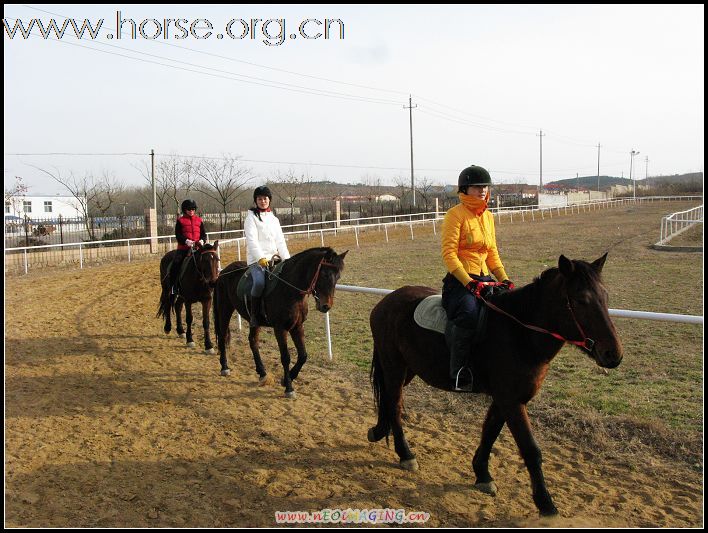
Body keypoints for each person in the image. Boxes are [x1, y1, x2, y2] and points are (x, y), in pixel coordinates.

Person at [441, 165, 514, 392]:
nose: (483, 190)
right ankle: (459, 372)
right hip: (460, 282)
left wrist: (504, 279)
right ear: (465, 188)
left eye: (485, 186)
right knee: (470, 313)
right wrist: (469, 282)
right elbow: (449, 255)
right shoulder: (455, 215)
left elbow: (492, 253)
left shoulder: (489, 217)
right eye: (477, 186)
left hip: (485, 278)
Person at [244, 185, 290, 326]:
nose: (263, 201)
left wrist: (287, 260)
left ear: (269, 200)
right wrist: (260, 258)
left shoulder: (274, 219)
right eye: (259, 199)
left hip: (274, 258)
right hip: (257, 261)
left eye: (265, 198)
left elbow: (280, 242)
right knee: (259, 283)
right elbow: (252, 241)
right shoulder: (251, 218)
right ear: (256, 200)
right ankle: (254, 315)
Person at [169, 198, 208, 295]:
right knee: (176, 264)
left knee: (209, 262)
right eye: (189, 209)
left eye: (193, 209)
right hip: (184, 249)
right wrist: (187, 241)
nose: (191, 211)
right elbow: (178, 235)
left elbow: (203, 234)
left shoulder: (199, 220)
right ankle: (174, 286)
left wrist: (202, 241)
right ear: (184, 210)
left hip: (198, 248)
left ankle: (210, 283)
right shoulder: (180, 221)